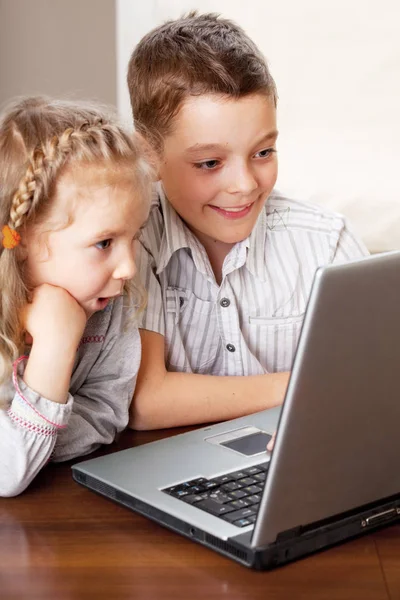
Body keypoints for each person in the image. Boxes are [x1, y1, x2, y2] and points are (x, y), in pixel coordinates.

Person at [126, 12, 369, 432]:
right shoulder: (132, 242)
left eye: (263, 153)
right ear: (149, 155)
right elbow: (146, 401)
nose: (243, 185)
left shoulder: (327, 244)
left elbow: (373, 381)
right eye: (209, 162)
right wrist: (307, 387)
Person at [0, 96, 152, 496]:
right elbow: (9, 472)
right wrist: (55, 346)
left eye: (133, 237)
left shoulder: (107, 304)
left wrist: (29, 437)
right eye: (104, 243)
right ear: (23, 241)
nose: (129, 268)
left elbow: (107, 413)